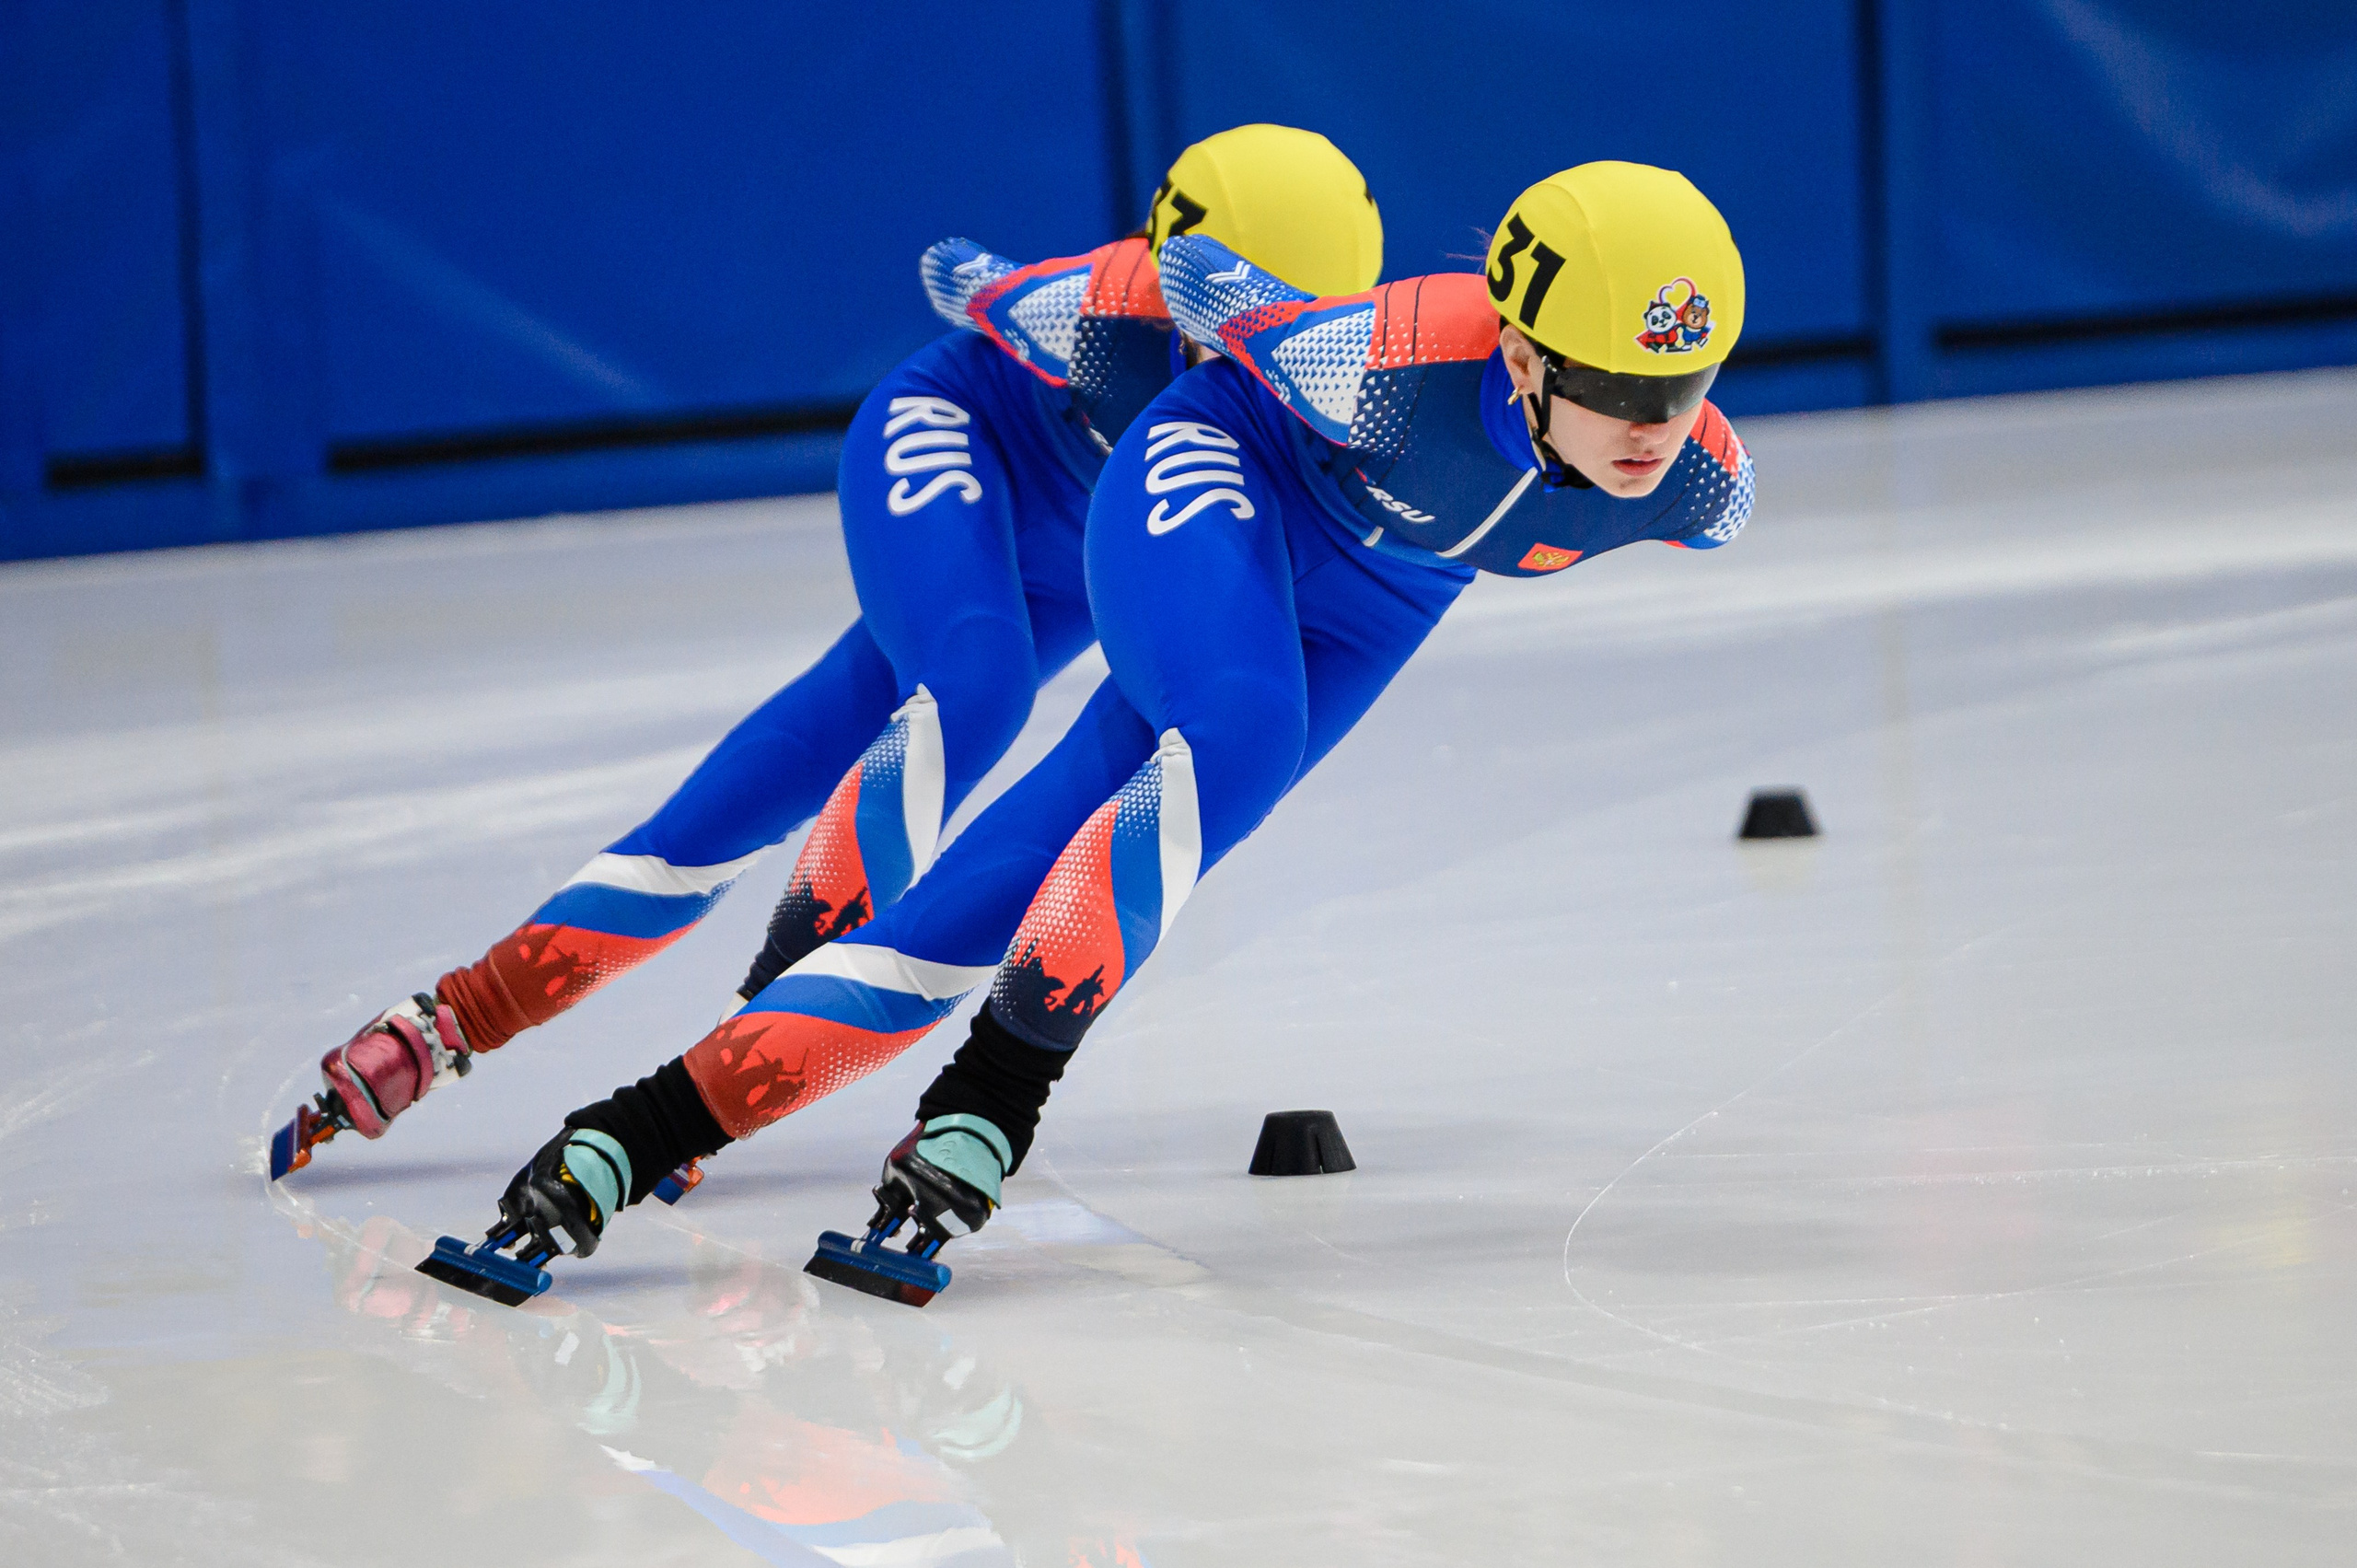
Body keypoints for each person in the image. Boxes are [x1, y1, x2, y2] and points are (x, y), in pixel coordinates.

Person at [469, 162, 1756, 1291]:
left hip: (1381, 597)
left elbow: (1648, 449)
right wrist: (1001, 281)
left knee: (1012, 875)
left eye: (1681, 384)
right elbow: (1208, 286)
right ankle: (995, 1093)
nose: (1652, 426)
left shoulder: (1705, 484)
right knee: (1240, 731)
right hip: (1214, 474)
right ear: (1524, 357)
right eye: (1614, 385)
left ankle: (634, 1128)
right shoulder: (1381, 361)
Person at [270, 125, 1386, 1178]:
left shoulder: (1336, 367)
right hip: (957, 450)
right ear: (1165, 272)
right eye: (1223, 322)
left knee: (798, 756)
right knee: (976, 685)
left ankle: (459, 1010)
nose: (1256, 362)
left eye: (1290, 335)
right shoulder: (1097, 311)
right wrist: (1000, 282)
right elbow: (954, 272)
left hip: (1077, 556)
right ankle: (737, 1018)